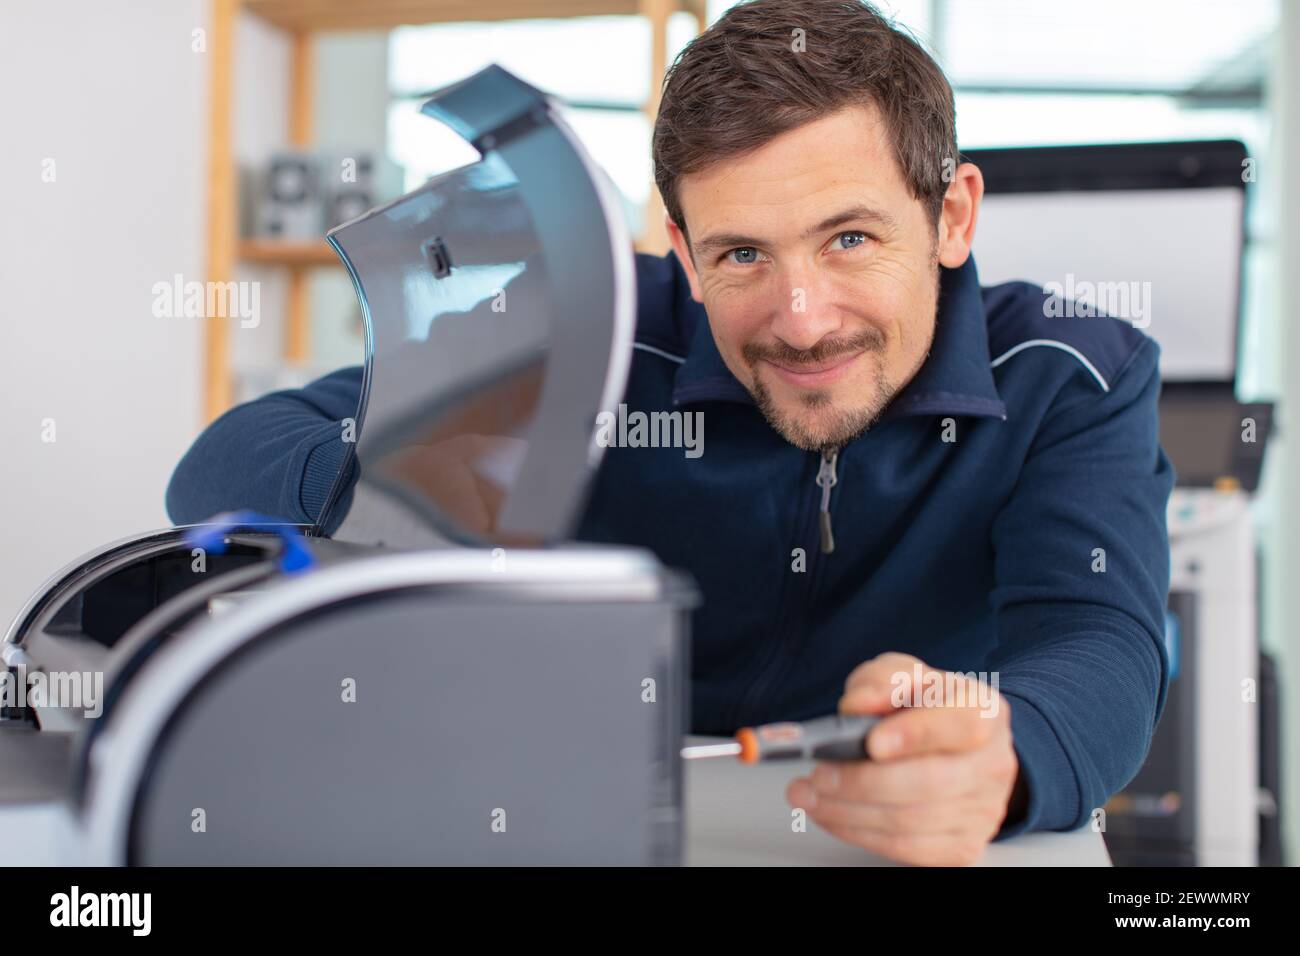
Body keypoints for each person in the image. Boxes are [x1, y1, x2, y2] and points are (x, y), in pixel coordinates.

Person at [166, 0, 1174, 865]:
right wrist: (394, 482)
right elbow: (227, 459)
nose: (802, 316)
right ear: (684, 255)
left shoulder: (1072, 370)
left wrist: (1009, 746)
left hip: (896, 839)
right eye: (741, 253)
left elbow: (1102, 641)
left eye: (850, 238)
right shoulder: (591, 332)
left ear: (951, 216)